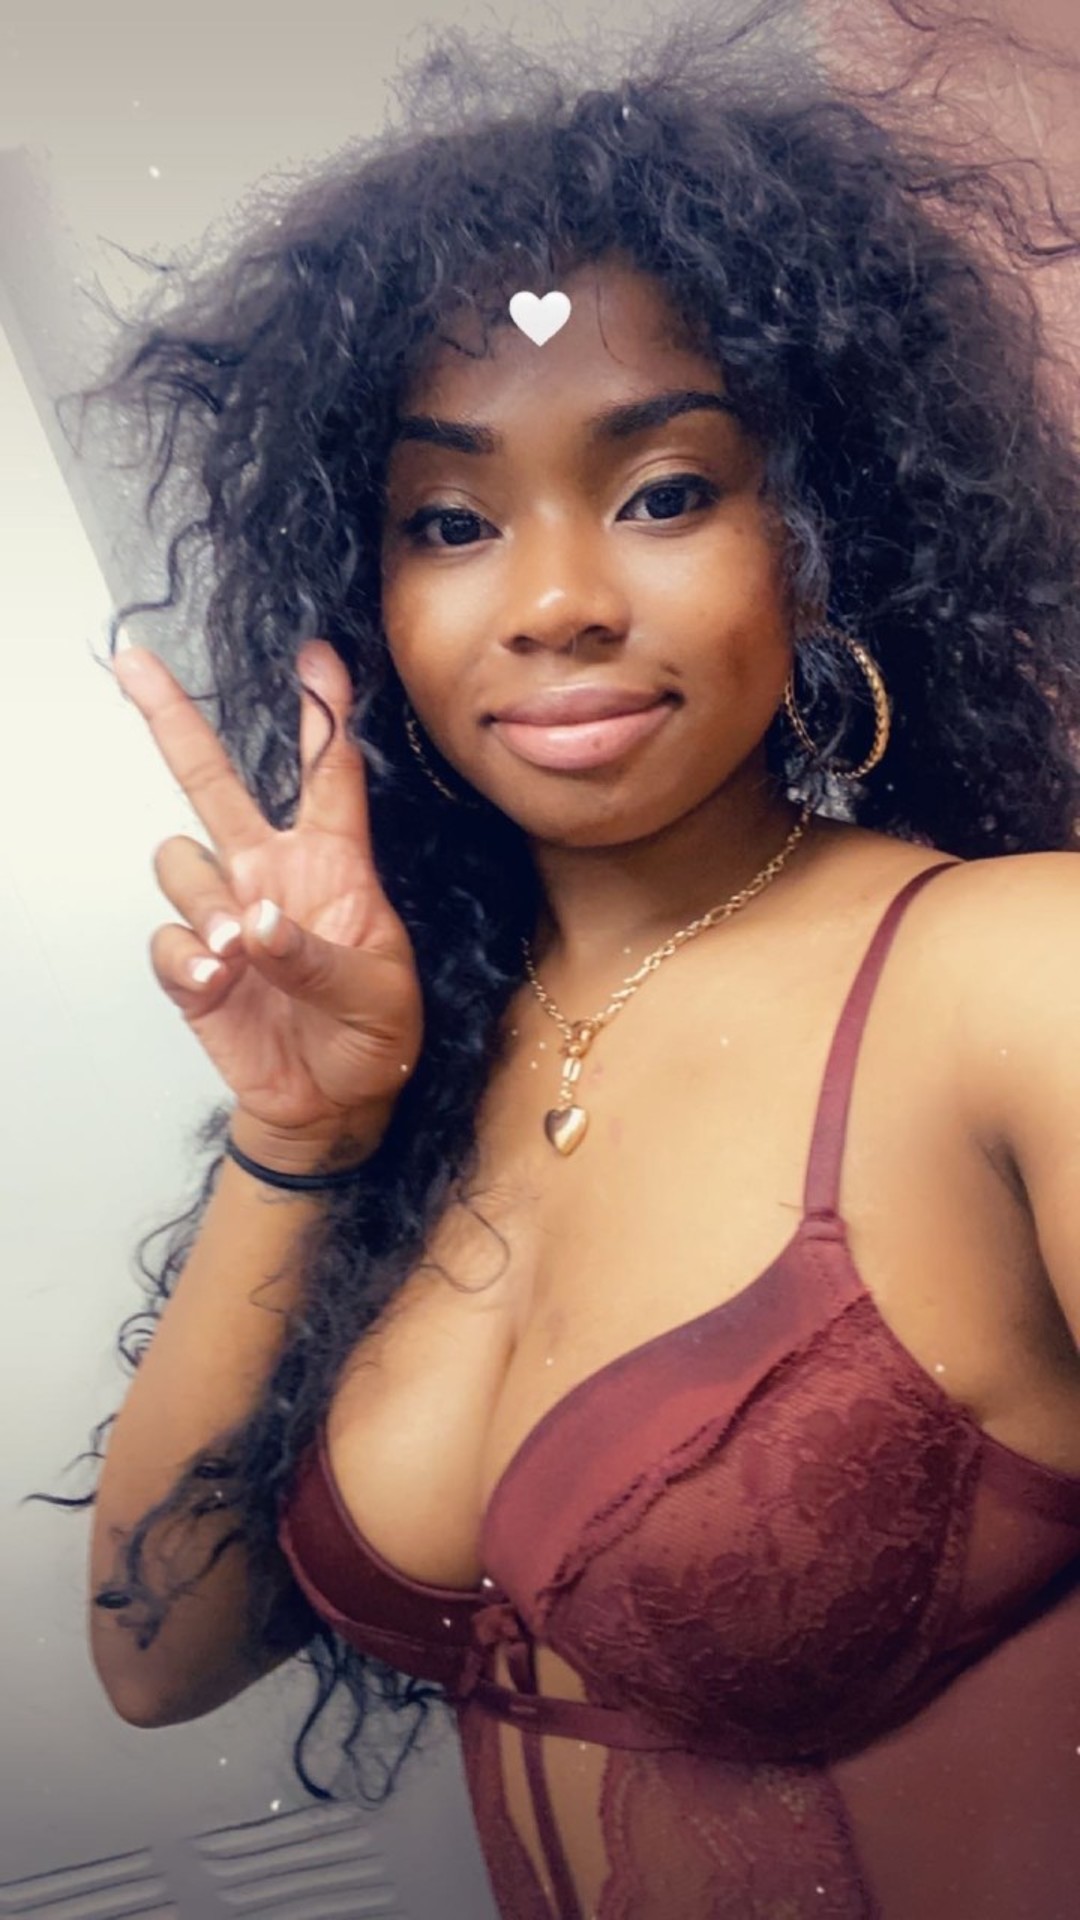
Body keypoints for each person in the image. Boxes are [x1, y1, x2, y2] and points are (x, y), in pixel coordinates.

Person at [31, 0, 1080, 1912]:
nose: (556, 602)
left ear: (820, 533)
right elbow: (156, 1656)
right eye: (449, 521)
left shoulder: (1020, 980)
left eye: (665, 491)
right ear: (370, 599)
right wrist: (300, 1136)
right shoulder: (430, 1064)